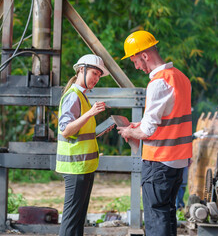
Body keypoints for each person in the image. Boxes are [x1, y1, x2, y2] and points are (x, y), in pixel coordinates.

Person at [117, 31, 192, 236]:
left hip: (159, 162)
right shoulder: (181, 78)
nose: (136, 66)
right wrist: (139, 125)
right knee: (167, 214)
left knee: (155, 217)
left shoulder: (158, 83)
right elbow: (169, 117)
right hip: (177, 162)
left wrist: (129, 130)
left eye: (135, 61)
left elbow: (149, 130)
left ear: (145, 55)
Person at [56, 54, 109, 236]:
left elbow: (80, 132)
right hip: (75, 167)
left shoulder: (82, 96)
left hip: (83, 166)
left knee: (78, 219)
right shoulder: (73, 96)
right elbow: (66, 130)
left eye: (98, 76)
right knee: (71, 220)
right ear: (81, 70)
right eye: (94, 73)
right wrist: (91, 113)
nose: (96, 79)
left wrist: (99, 130)